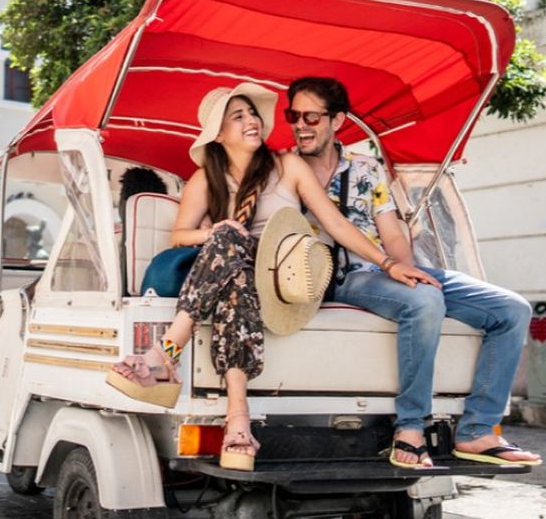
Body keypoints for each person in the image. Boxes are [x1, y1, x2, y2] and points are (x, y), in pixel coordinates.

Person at [107, 83, 437, 470]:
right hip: (238, 280)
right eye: (238, 116)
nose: (251, 121)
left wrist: (387, 263)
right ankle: (238, 421)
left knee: (231, 243)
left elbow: (335, 224)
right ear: (220, 133)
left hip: (283, 280)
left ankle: (166, 353)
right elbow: (180, 236)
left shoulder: (287, 166)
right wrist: (216, 232)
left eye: (253, 113)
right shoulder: (204, 179)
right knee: (236, 275)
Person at [285, 76, 541, 468]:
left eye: (311, 117)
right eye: (293, 115)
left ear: (337, 120)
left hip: (385, 269)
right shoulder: (286, 169)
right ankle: (410, 426)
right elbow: (336, 229)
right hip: (338, 277)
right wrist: (395, 270)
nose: (300, 125)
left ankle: (477, 430)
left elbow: (390, 229)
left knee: (512, 309)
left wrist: (405, 267)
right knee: (424, 300)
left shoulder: (367, 169)